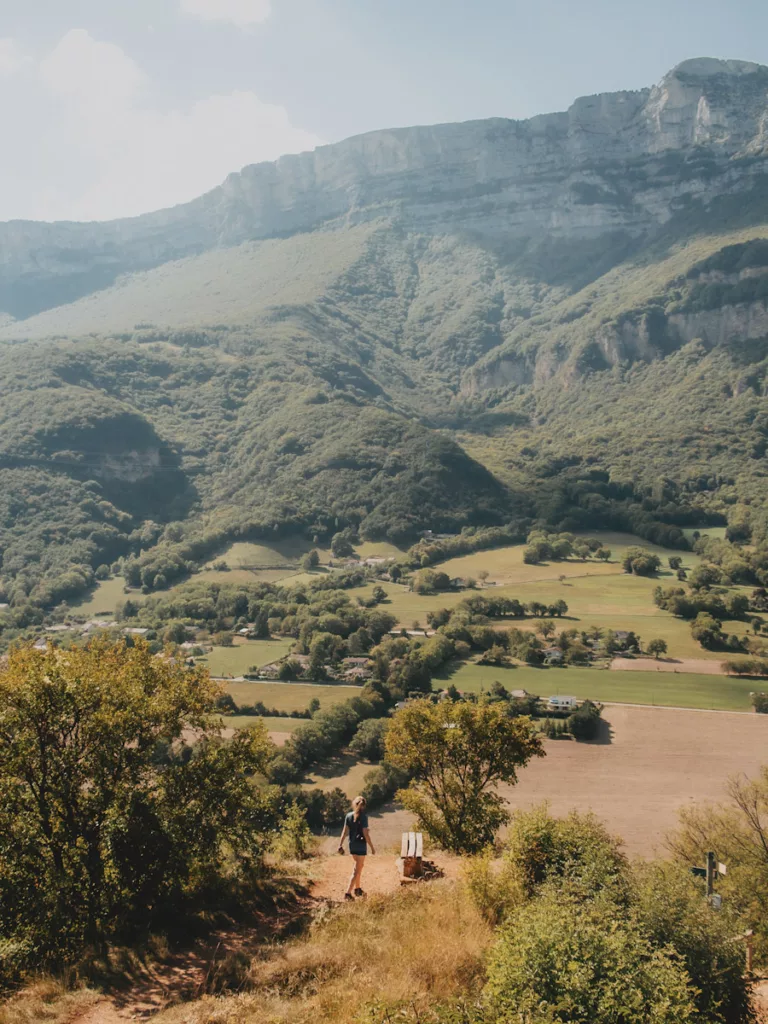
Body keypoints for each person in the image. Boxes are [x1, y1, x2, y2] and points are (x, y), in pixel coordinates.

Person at [338, 794, 375, 899]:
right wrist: (372, 847)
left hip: (352, 845)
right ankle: (348, 893)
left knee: (359, 866)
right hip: (361, 845)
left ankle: (358, 889)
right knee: (356, 870)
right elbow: (365, 834)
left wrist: (340, 844)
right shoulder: (364, 817)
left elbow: (344, 831)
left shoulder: (348, 816)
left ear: (354, 804)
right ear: (364, 806)